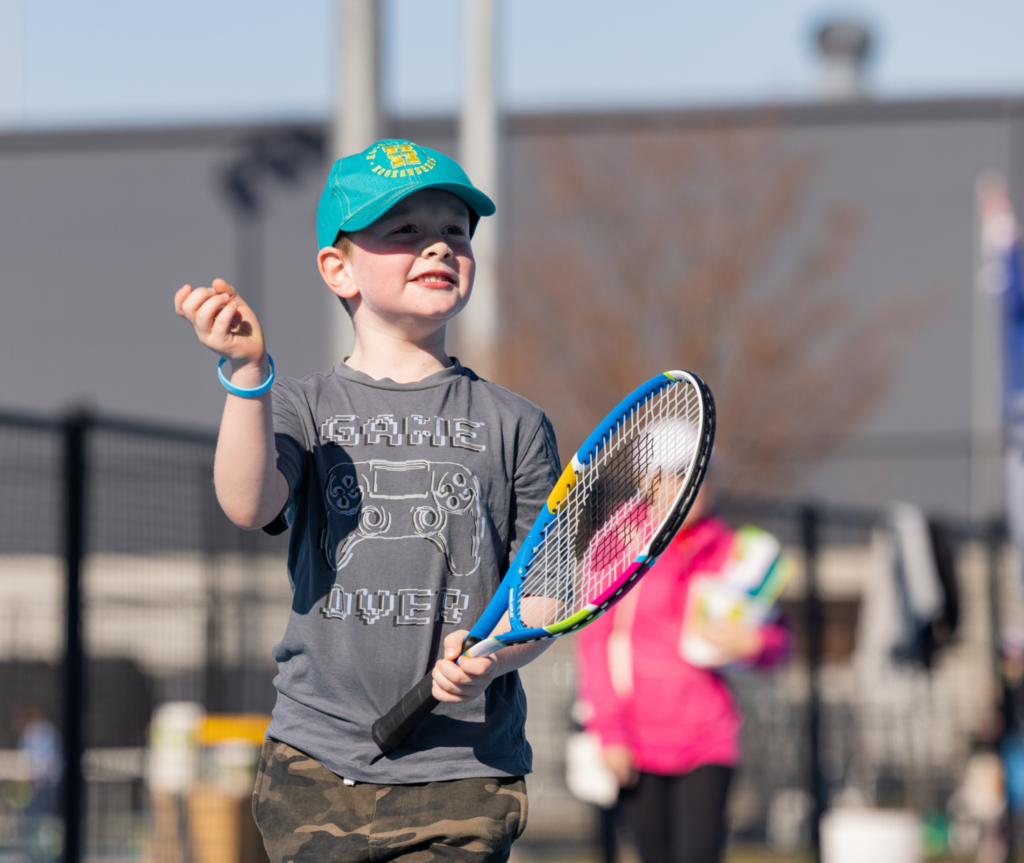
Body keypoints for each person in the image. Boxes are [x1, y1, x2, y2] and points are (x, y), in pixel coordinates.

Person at [174, 139, 561, 863]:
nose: (438, 247)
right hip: (315, 761)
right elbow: (247, 500)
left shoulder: (516, 423)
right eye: (404, 231)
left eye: (454, 230)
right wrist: (248, 372)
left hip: (465, 769)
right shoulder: (299, 405)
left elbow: (546, 592)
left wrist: (498, 651)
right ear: (337, 267)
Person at [575, 479, 791, 863]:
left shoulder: (734, 550)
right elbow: (595, 642)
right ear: (649, 482)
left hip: (710, 736)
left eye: (702, 474)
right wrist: (609, 731)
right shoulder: (620, 542)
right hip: (637, 739)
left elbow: (778, 641)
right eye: (676, 473)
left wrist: (753, 644)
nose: (693, 485)